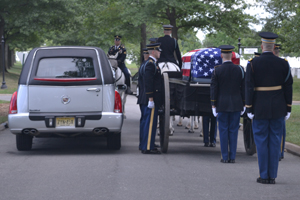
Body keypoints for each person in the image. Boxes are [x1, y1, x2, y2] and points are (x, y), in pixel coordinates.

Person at [245, 32, 293, 184]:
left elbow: (248, 87)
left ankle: (263, 175)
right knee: (274, 141)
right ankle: (272, 176)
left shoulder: (252, 63)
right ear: (273, 47)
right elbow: (288, 87)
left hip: (259, 107)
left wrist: (249, 108)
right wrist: (288, 108)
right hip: (278, 107)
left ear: (262, 46)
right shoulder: (283, 63)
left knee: (261, 141)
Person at [210, 45, 245, 164]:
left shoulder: (217, 70)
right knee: (234, 130)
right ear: (232, 55)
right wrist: (244, 104)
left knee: (223, 130)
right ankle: (233, 156)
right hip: (236, 103)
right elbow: (244, 88)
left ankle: (225, 156)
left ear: (221, 56)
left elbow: (214, 89)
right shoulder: (240, 69)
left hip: (222, 104)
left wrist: (213, 105)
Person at [137, 43, 163, 154]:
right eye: (158, 51)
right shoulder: (151, 64)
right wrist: (151, 98)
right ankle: (148, 147)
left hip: (144, 98)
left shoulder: (147, 63)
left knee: (145, 122)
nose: (160, 52)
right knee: (150, 123)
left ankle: (145, 144)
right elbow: (149, 82)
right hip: (149, 99)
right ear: (153, 52)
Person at [273, 43, 286, 161]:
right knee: (280, 130)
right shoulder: (283, 64)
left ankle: (279, 152)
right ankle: (279, 152)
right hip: (280, 102)